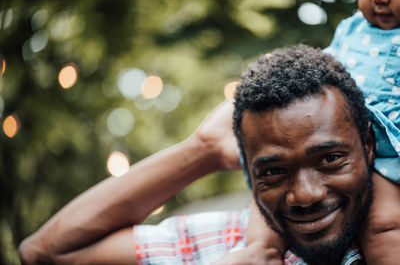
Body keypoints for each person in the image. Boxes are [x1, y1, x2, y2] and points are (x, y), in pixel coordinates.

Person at [20, 44, 382, 264]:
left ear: (368, 144)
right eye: (273, 170)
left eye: (330, 159)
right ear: (248, 172)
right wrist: (202, 150)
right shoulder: (229, 247)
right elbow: (47, 252)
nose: (305, 194)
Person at [229, 0, 400, 264]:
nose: (380, 0)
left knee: (383, 225)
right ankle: (261, 250)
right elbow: (325, 65)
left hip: (391, 153)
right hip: (354, 136)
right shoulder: (351, 29)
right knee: (268, 215)